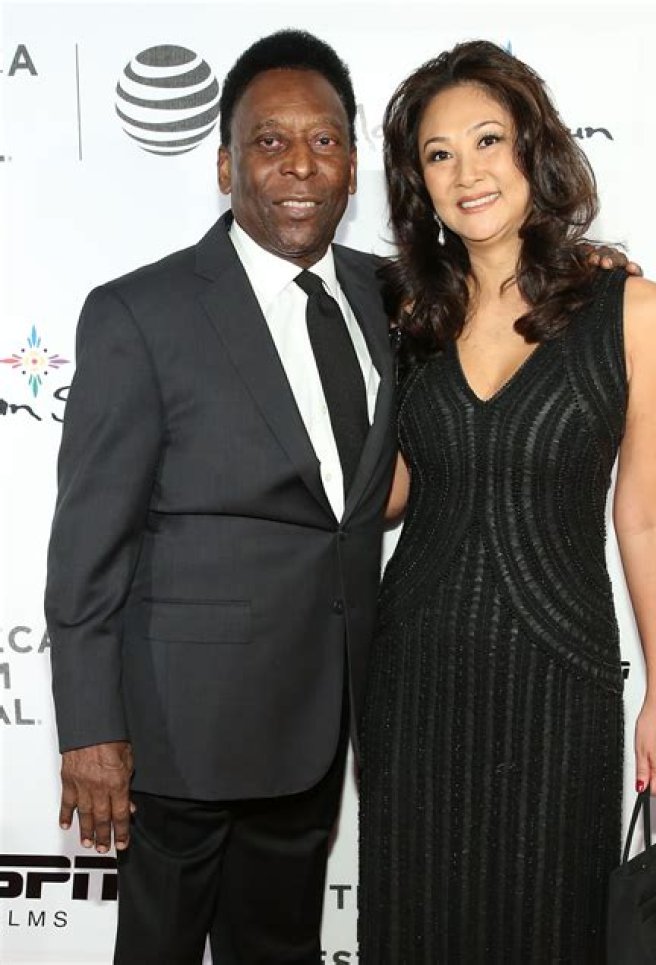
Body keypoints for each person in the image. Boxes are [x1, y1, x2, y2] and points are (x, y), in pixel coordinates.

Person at [44, 29, 398, 965]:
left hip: (318, 717)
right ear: (224, 164)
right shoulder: (141, 312)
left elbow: (505, 296)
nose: (299, 165)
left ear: (352, 164)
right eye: (269, 140)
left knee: (278, 949)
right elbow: (87, 545)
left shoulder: (388, 297)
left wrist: (594, 274)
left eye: (324, 140)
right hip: (182, 730)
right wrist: (91, 728)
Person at [358, 40, 656, 963]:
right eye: (439, 153)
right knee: (417, 925)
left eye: (488, 139)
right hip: (417, 677)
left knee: (550, 926)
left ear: (533, 147)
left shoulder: (635, 312)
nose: (468, 172)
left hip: (560, 676)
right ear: (418, 183)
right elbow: (394, 493)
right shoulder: (408, 315)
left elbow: (645, 514)